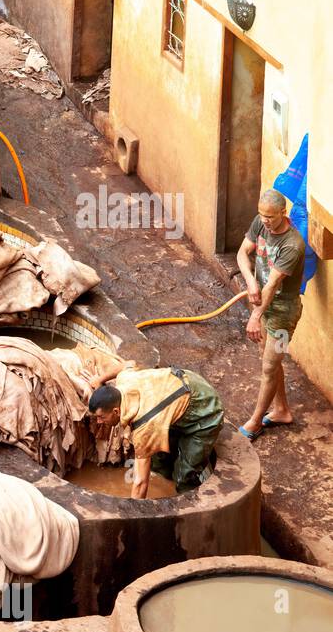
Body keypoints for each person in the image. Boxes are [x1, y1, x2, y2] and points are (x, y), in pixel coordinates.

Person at [87, 367, 223, 497]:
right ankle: (163, 484)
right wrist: (99, 380)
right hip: (182, 386)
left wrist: (133, 514)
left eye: (101, 417)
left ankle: (186, 505)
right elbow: (127, 364)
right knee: (158, 461)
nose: (99, 421)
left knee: (185, 475)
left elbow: (140, 483)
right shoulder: (125, 380)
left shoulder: (144, 426)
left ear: (116, 411)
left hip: (205, 407)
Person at [236, 189, 305, 440]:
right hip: (264, 306)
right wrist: (251, 283)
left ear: (283, 214)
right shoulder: (260, 222)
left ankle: (255, 423)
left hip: (285, 315)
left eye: (270, 216)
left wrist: (255, 315)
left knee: (269, 366)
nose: (264, 220)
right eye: (262, 214)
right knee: (271, 362)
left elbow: (274, 284)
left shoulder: (293, 244)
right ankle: (281, 410)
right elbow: (242, 253)